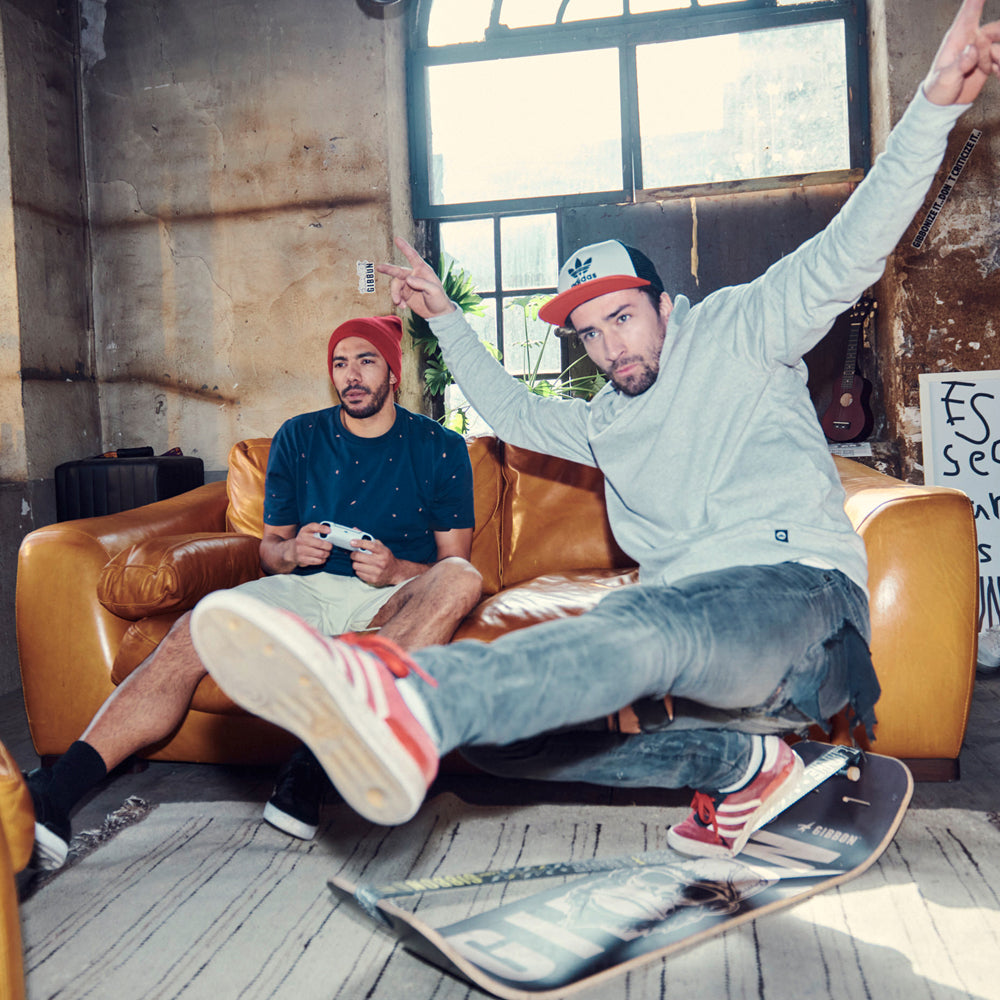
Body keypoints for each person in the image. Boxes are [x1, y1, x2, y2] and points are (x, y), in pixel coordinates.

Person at [187, 0, 1000, 858]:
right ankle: (745, 771)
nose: (612, 347)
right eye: (590, 334)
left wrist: (936, 105)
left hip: (798, 611)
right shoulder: (606, 419)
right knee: (498, 750)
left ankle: (401, 691)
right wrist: (442, 317)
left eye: (623, 318)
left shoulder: (743, 328)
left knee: (648, 623)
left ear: (661, 304)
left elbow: (851, 244)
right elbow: (513, 412)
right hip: (700, 661)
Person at [27, 315, 482, 869]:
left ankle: (312, 765)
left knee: (462, 579)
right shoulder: (298, 437)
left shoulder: (440, 446)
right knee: (196, 626)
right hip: (305, 589)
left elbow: (452, 559)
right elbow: (269, 549)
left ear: (394, 370)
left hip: (386, 598)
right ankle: (55, 797)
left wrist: (394, 570)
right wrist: (292, 553)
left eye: (366, 361)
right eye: (340, 363)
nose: (351, 376)